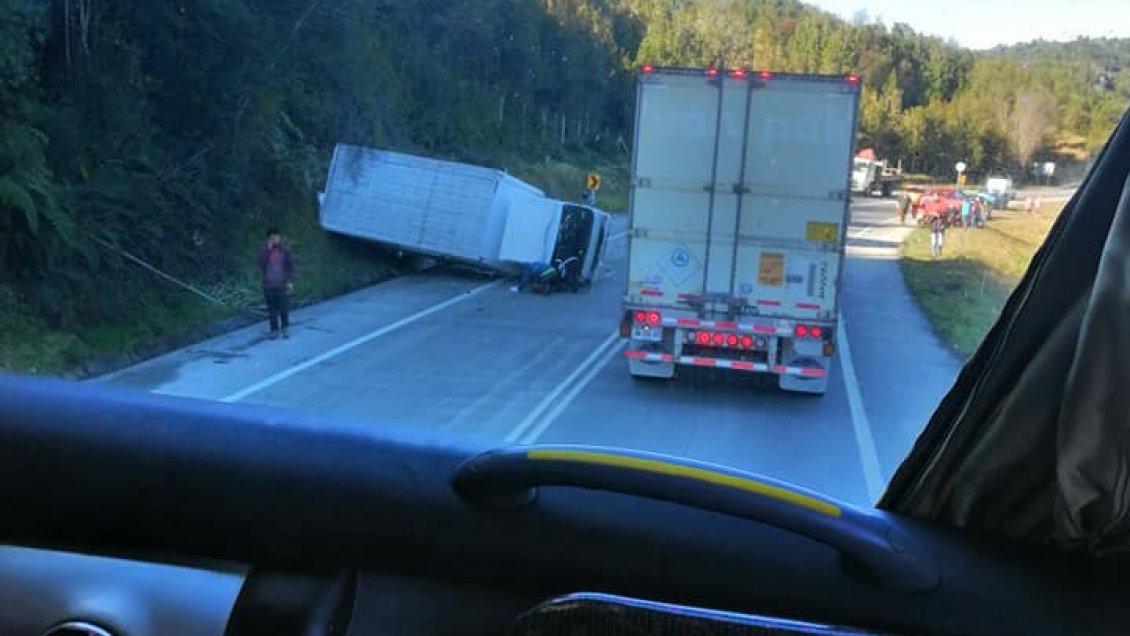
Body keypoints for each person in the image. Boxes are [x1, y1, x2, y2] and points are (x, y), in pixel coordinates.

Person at [257, 227, 295, 339]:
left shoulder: (284, 250)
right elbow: (261, 263)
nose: (275, 239)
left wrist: (289, 281)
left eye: (277, 237)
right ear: (268, 238)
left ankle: (285, 328)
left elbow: (290, 266)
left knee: (284, 307)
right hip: (268, 285)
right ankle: (274, 330)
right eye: (272, 237)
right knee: (272, 309)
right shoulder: (263, 250)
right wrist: (267, 250)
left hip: (282, 284)